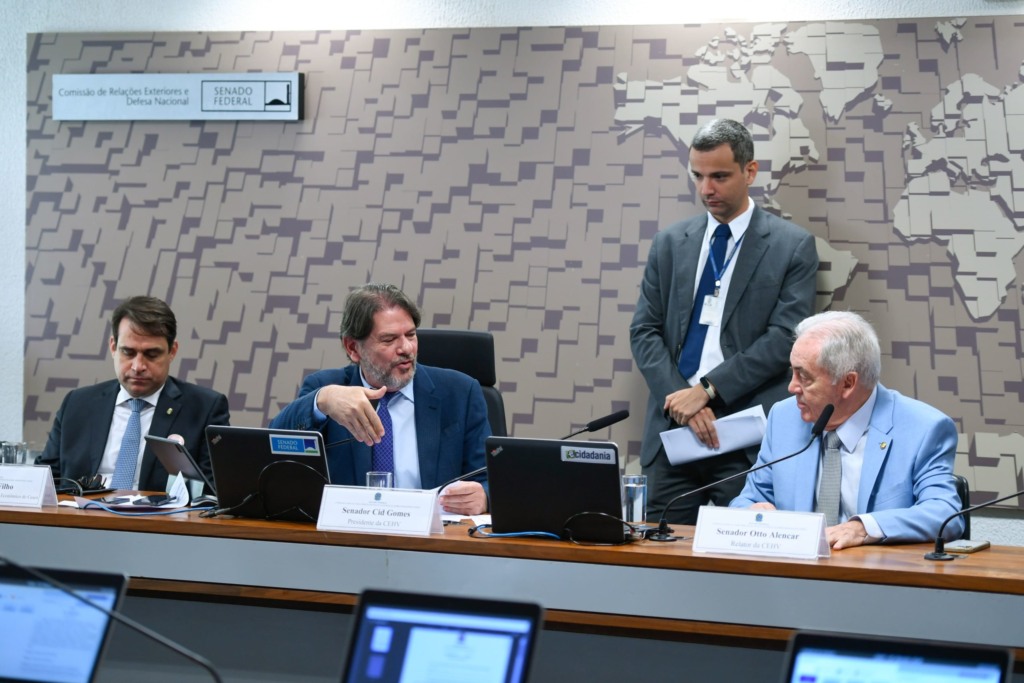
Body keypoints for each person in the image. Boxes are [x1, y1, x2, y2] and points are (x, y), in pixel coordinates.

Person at [630, 118, 819, 524]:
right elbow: (644, 331)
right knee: (656, 562)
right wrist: (684, 400)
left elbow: (785, 338)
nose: (706, 189)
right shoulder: (670, 243)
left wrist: (708, 391)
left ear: (750, 171)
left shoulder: (791, 246)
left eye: (719, 176)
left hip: (745, 436)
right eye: (697, 176)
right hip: (673, 436)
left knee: (749, 565)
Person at [730, 311, 964, 548]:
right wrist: (751, 513)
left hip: (873, 578)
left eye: (804, 377)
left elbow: (945, 514)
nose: (792, 387)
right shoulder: (784, 418)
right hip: (791, 577)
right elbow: (748, 499)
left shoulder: (923, 428)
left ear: (848, 383)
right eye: (793, 372)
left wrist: (864, 528)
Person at [269, 283, 489, 516]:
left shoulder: (460, 392)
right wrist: (321, 400)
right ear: (353, 348)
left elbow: (489, 479)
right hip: (348, 542)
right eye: (389, 339)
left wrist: (483, 496)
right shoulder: (326, 392)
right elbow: (274, 451)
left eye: (411, 335)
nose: (406, 348)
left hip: (434, 543)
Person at [39, 296, 231, 491]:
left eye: (151, 354)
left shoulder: (205, 409)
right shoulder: (77, 404)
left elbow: (215, 491)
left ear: (172, 351)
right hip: (81, 517)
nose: (138, 366)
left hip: (157, 519)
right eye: (128, 352)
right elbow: (44, 479)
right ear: (113, 347)